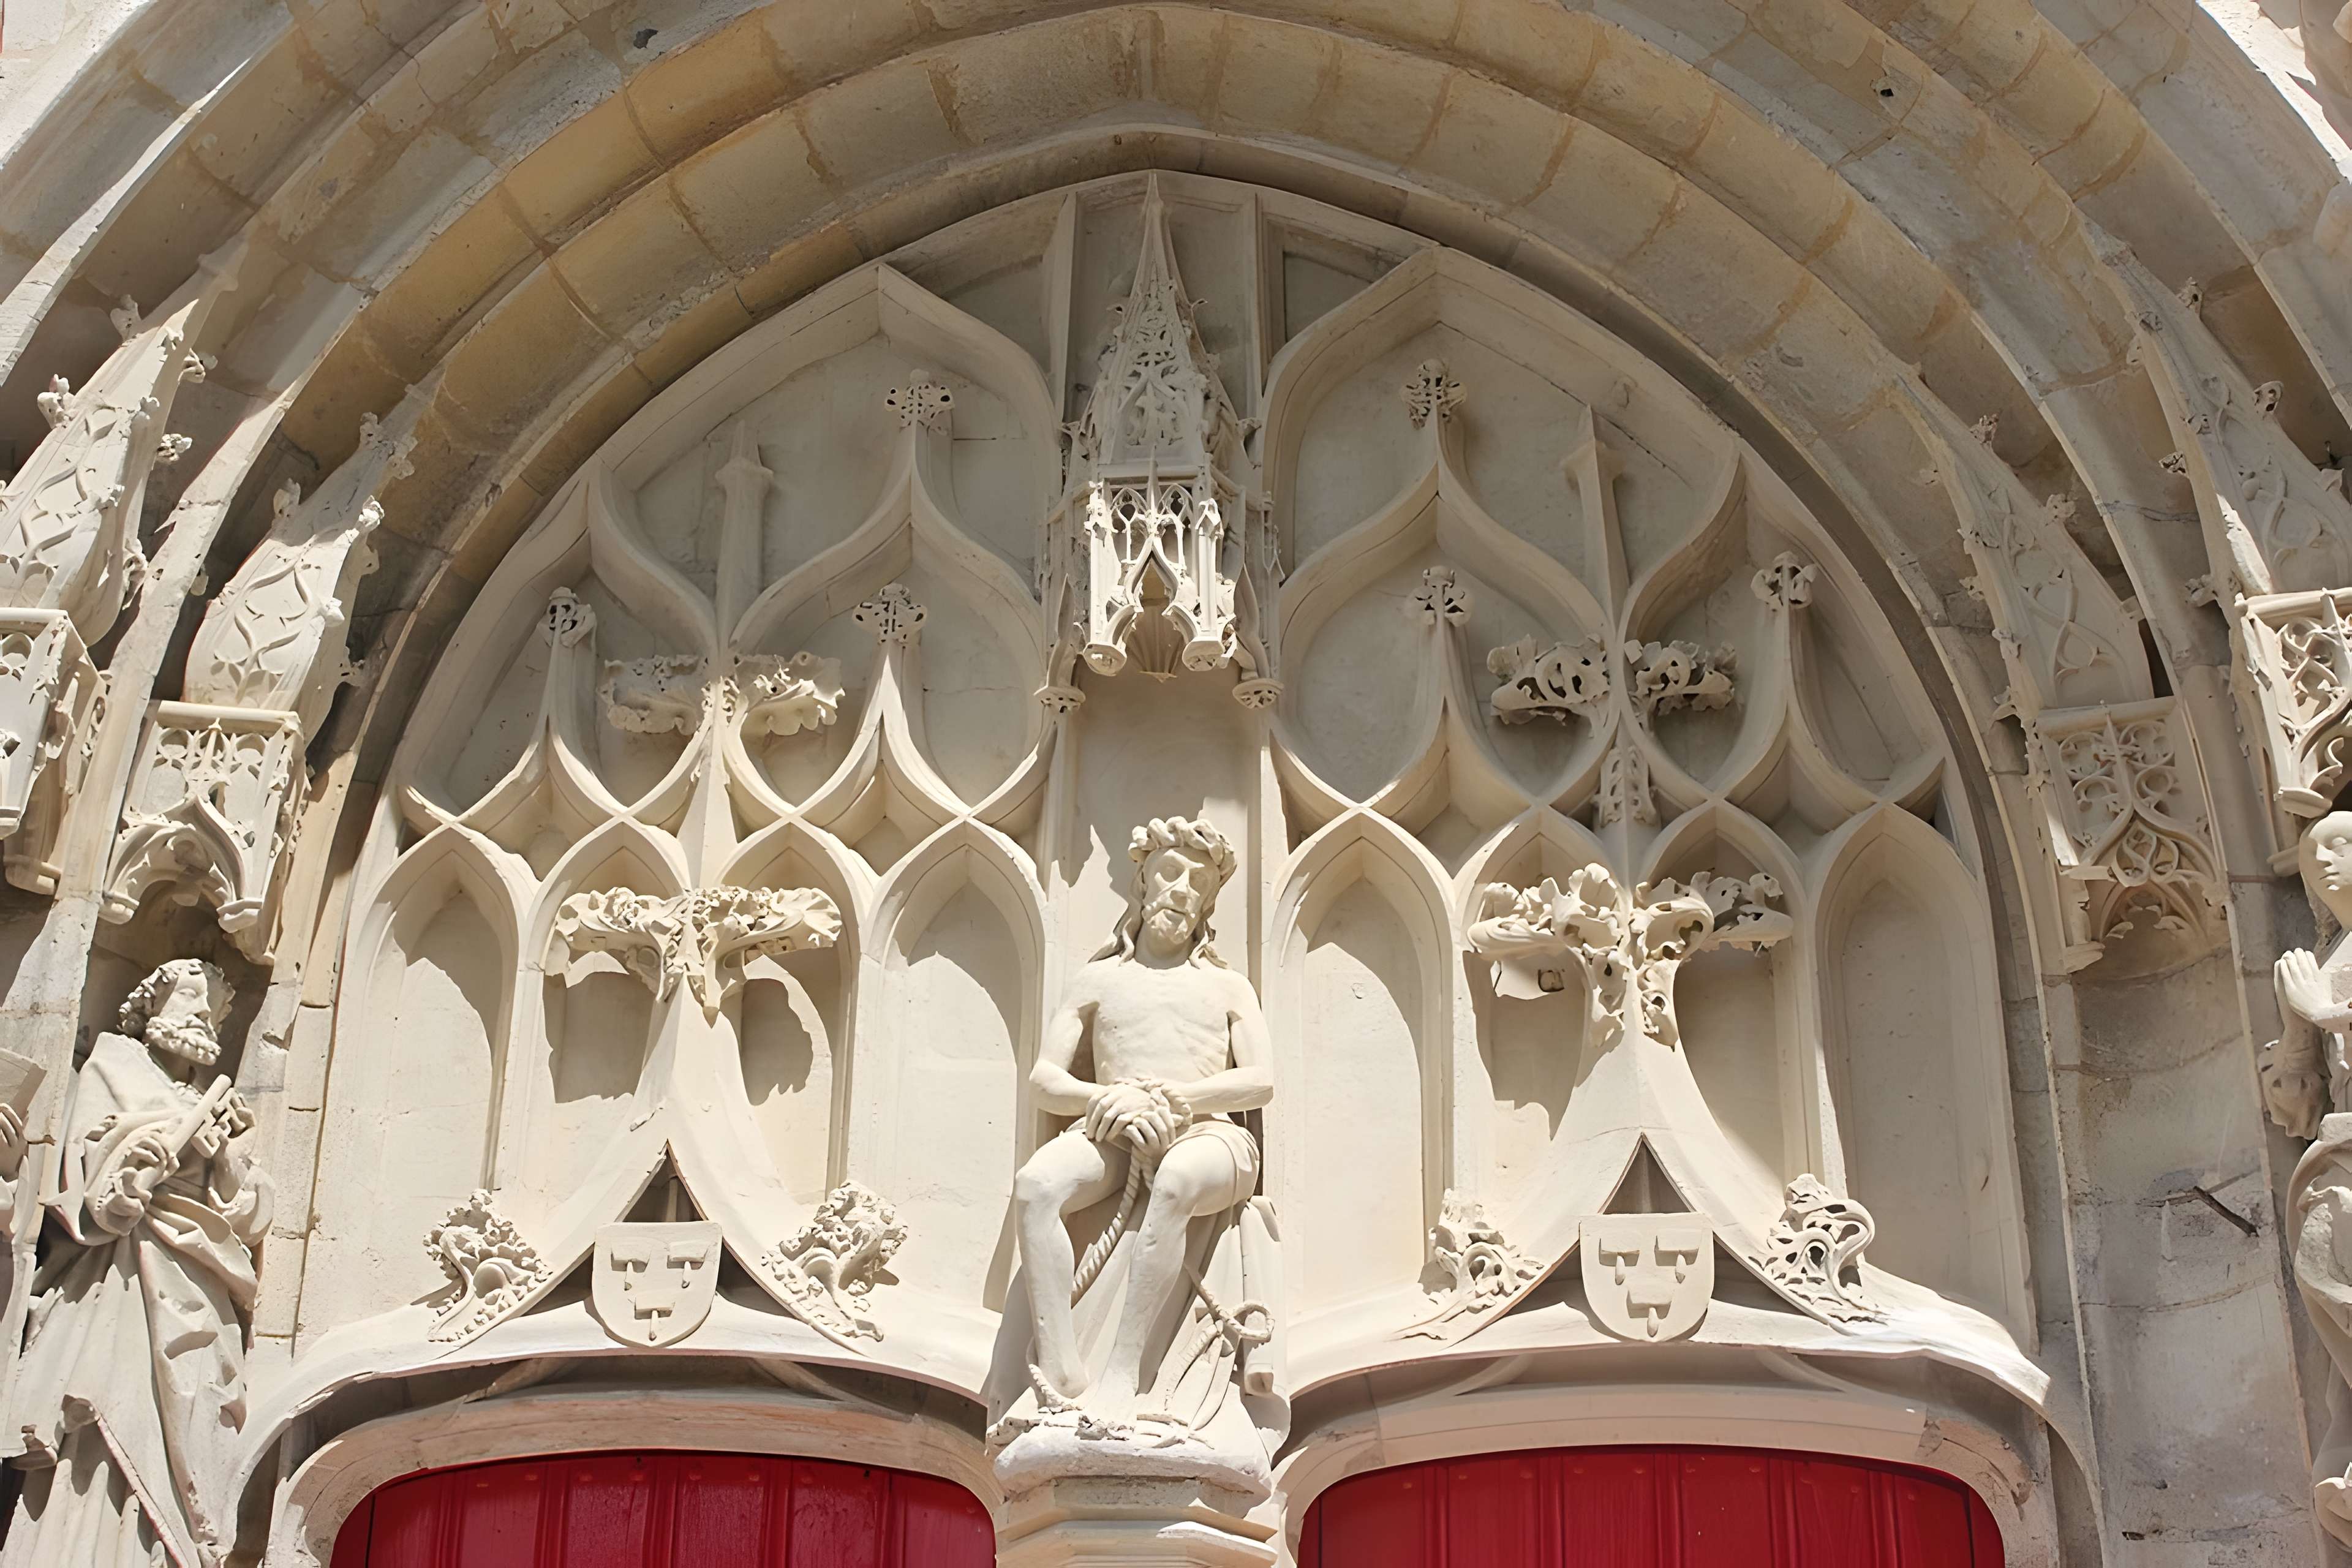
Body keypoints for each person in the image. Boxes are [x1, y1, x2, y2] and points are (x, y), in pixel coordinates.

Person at [1005, 816, 1274, 1430]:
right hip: (1113, 1130)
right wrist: (1107, 1098)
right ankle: (1062, 1369)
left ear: (1208, 903)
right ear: (1144, 883)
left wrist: (1178, 1101)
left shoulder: (1229, 987)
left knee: (1177, 1178)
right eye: (1170, 873)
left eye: (1198, 882)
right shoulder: (1099, 980)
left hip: (1210, 1134)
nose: (1182, 889)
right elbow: (1045, 1079)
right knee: (1036, 1186)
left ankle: (1124, 1374)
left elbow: (1261, 1081)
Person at [2, 959, 271, 1568]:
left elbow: (249, 1217)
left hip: (199, 1284)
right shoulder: (112, 1066)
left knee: (194, 1417)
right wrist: (146, 1153)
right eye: (190, 996)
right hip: (122, 1280)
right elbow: (82, 1184)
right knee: (108, 1420)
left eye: (214, 1006)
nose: (203, 1013)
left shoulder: (213, 1104)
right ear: (149, 1005)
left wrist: (227, 1160)